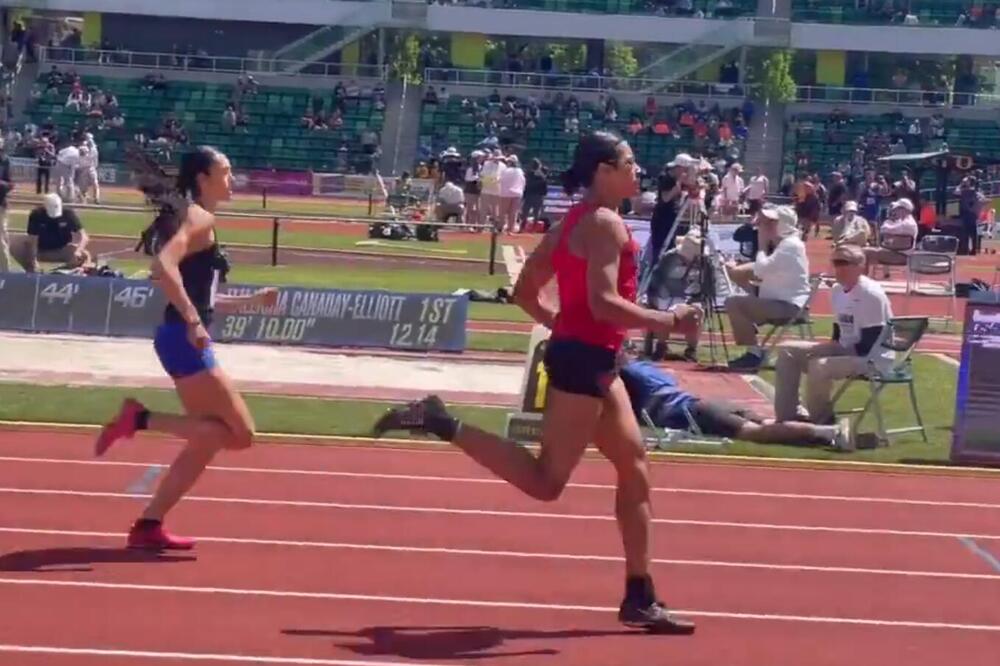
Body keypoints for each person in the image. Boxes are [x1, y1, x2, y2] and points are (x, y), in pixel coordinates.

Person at [373, 131, 701, 634]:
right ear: (603, 171)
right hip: (584, 362)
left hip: (593, 357)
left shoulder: (571, 221)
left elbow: (525, 291)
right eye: (629, 163)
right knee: (547, 482)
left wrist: (562, 326)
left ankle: (640, 593)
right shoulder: (605, 224)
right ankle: (441, 421)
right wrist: (669, 319)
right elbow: (603, 304)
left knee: (634, 466)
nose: (639, 171)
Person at [92, 146, 279, 550]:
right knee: (241, 435)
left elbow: (205, 299)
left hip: (179, 338)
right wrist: (194, 323)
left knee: (210, 437)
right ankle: (138, 419)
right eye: (225, 172)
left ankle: (149, 524)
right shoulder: (200, 217)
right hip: (181, 339)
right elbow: (163, 267)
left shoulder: (198, 218)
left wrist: (251, 302)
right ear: (202, 178)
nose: (232, 179)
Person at [773, 244, 892, 432]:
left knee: (819, 365)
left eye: (844, 263)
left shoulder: (870, 294)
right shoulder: (837, 290)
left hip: (873, 358)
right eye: (835, 262)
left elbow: (870, 343)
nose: (838, 268)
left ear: (860, 265)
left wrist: (829, 354)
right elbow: (839, 331)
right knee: (788, 349)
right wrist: (826, 348)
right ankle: (788, 417)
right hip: (848, 348)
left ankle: (821, 423)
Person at [620, 358, 849, 449]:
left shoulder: (624, 374)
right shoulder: (645, 367)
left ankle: (830, 432)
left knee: (757, 433)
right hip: (702, 402)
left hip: (692, 412)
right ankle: (823, 435)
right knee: (769, 423)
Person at [723, 205, 812, 371]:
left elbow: (762, 269)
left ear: (782, 225)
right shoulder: (785, 245)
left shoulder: (791, 246)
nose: (763, 226)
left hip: (790, 307)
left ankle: (754, 354)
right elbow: (761, 270)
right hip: (779, 301)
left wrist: (762, 245)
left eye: (770, 223)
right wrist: (737, 272)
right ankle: (753, 342)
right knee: (738, 292)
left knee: (733, 303)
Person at [11, 193, 91, 272]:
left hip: (61, 249)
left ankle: (66, 272)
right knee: (16, 245)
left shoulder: (68, 214)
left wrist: (78, 250)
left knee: (84, 255)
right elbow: (33, 240)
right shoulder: (36, 215)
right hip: (40, 250)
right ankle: (31, 271)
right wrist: (33, 258)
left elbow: (83, 236)